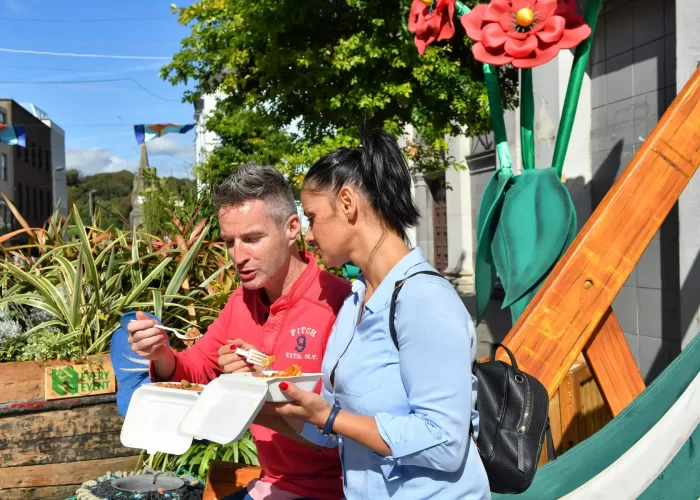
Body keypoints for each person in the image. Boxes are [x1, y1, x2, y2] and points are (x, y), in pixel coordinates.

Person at [269, 130, 491, 499]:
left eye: (311, 217)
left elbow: (445, 444)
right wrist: (262, 405)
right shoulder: (356, 301)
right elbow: (344, 429)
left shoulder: (424, 301)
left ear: (347, 203)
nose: (308, 236)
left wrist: (330, 417)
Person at [127, 162, 350, 500]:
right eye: (230, 242)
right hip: (270, 483)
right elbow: (196, 369)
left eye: (252, 239)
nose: (238, 256)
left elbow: (348, 428)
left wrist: (257, 385)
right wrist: (161, 354)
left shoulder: (337, 303)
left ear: (292, 229)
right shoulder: (242, 301)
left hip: (335, 489)